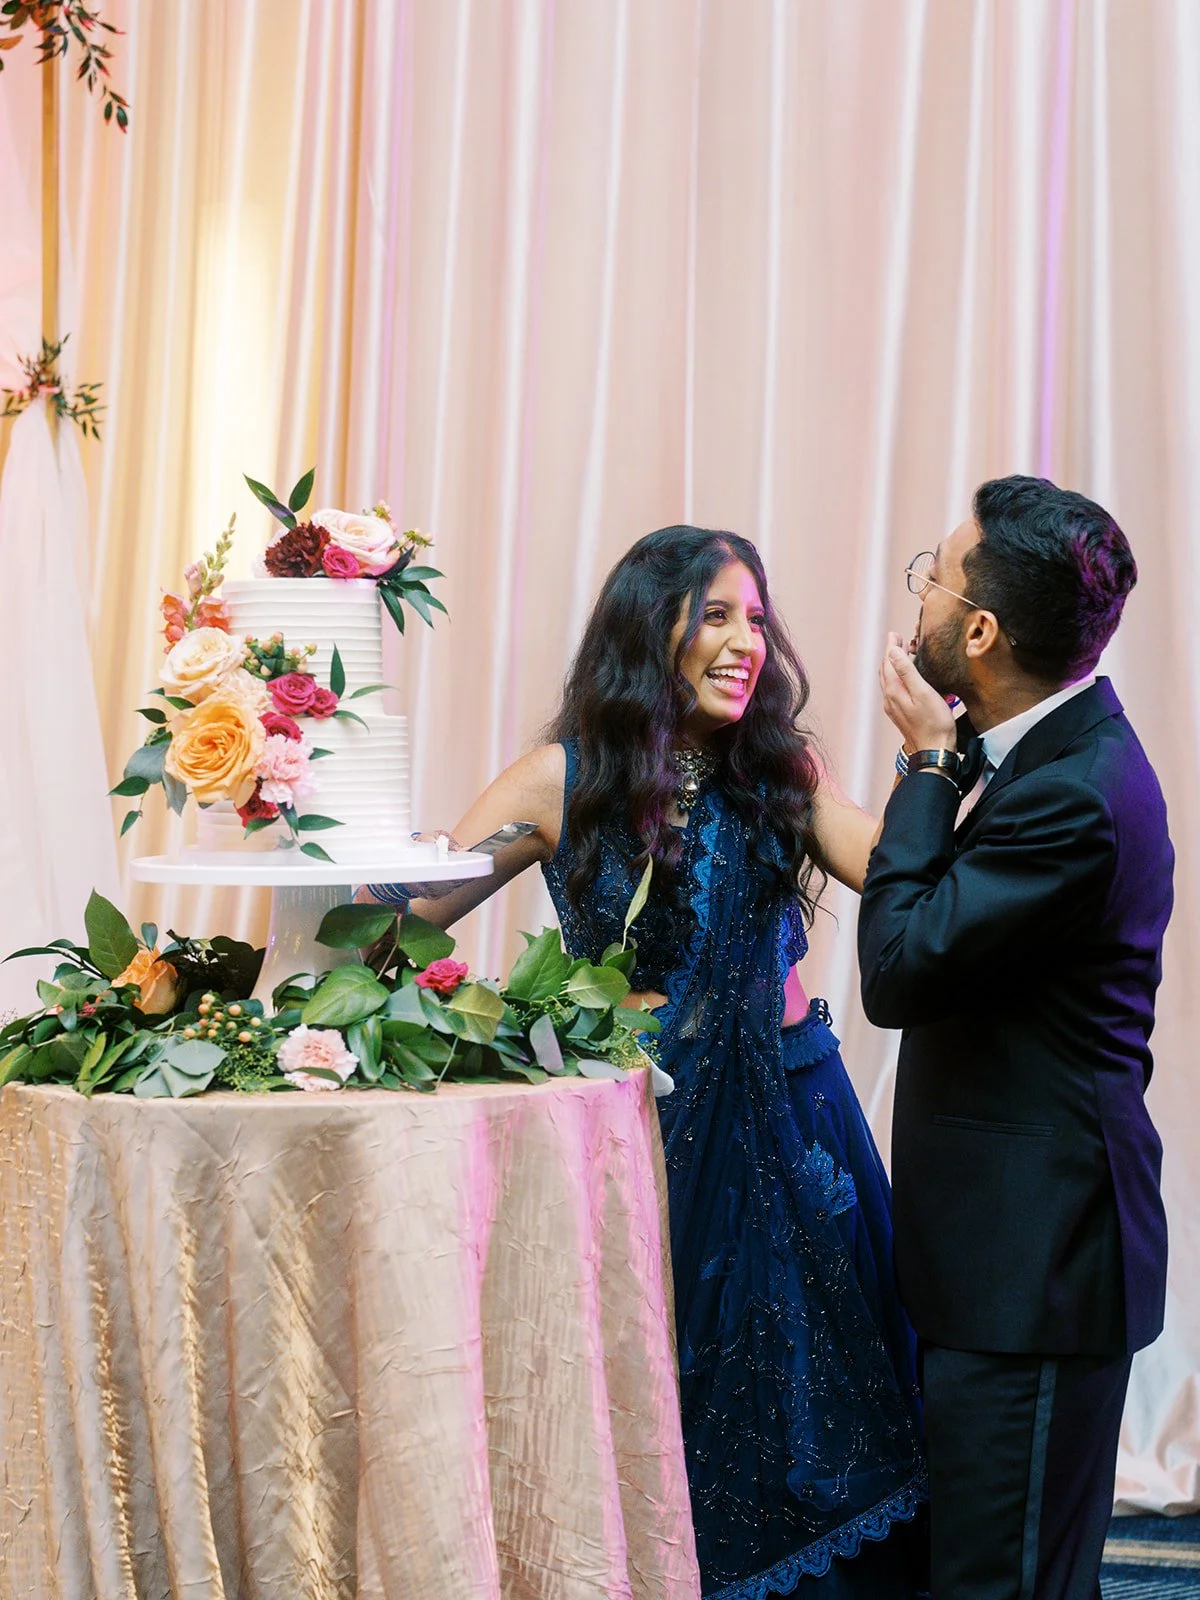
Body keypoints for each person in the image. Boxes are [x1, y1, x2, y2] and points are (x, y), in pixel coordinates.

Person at [368, 526, 928, 1599]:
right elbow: (400, 920)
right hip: (648, 1138)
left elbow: (896, 871)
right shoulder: (564, 779)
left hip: (796, 1123)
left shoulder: (780, 769)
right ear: (647, 627)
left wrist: (932, 761)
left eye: (756, 619)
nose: (747, 641)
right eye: (716, 615)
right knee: (670, 1390)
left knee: (818, 1405)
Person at [858, 476, 1173, 1600]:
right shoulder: (1050, 754)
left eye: (934, 579)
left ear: (981, 630)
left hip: (1034, 1270)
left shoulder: (1073, 794)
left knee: (1006, 1584)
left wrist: (924, 766)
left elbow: (898, 969)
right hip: (1009, 1260)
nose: (921, 600)